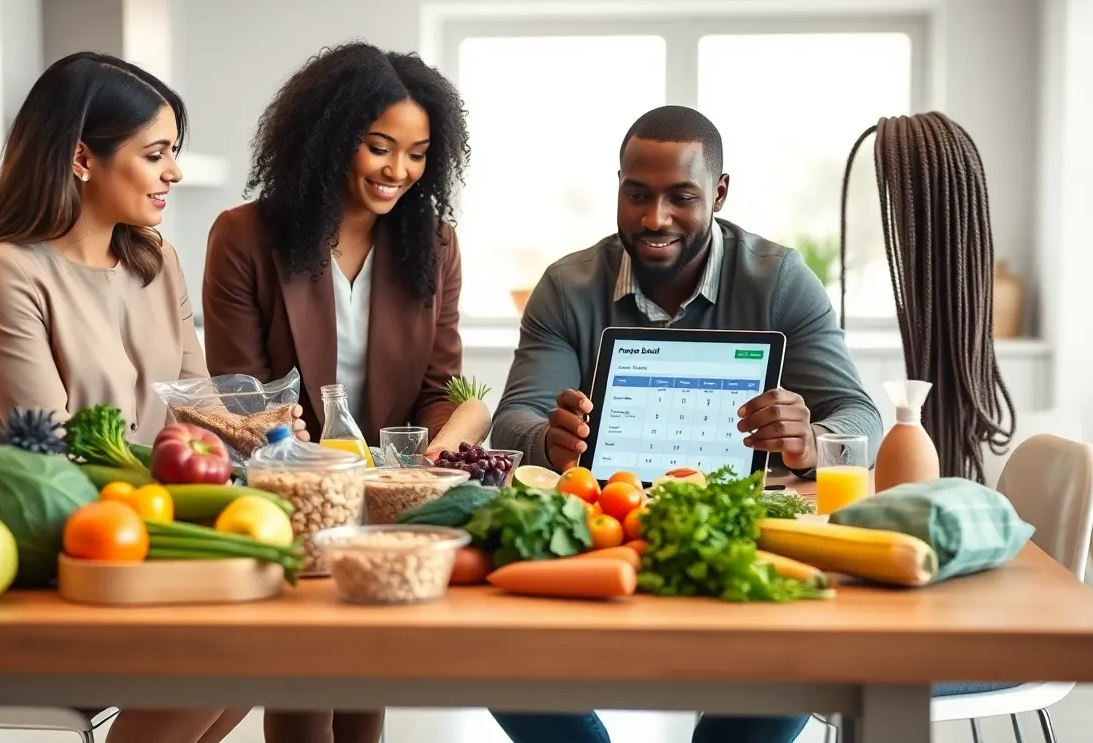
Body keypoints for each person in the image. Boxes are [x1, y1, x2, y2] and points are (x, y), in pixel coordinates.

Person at [487, 105, 884, 743]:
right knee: (497, 651)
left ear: (720, 193)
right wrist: (546, 439)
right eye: (637, 194)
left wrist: (813, 441)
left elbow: (861, 418)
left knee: (790, 653)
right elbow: (512, 421)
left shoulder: (780, 280)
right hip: (602, 529)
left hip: (737, 533)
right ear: (617, 185)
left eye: (682, 197)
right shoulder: (567, 286)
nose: (655, 218)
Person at [0, 51, 243, 743]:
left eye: (175, 153)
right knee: (228, 646)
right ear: (82, 157)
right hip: (47, 528)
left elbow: (196, 404)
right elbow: (52, 448)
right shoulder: (6, 270)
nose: (175, 172)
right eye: (156, 153)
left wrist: (259, 432)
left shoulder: (154, 258)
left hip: (141, 511)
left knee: (272, 643)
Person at [200, 40, 471, 743]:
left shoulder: (432, 245)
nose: (398, 171)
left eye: (416, 154)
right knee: (302, 693)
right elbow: (240, 397)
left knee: (364, 692)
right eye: (379, 146)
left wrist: (439, 447)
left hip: (386, 503)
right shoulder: (244, 237)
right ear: (327, 137)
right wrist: (304, 462)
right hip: (286, 497)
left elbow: (439, 386)